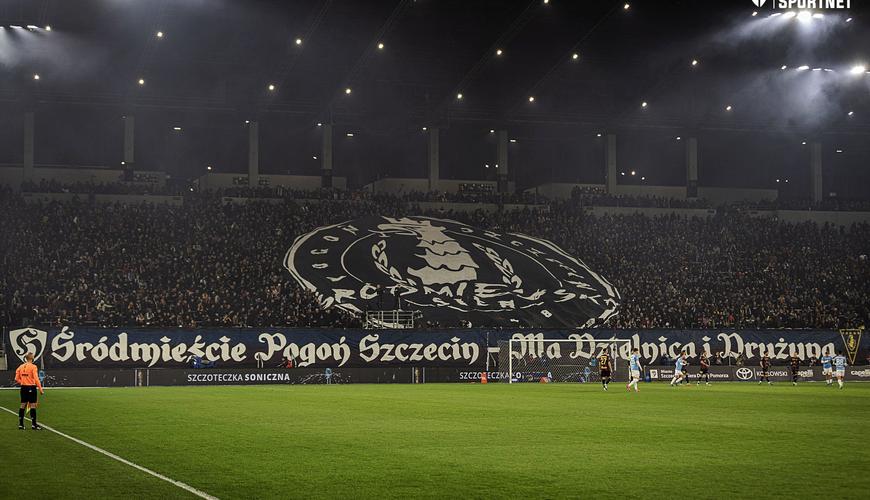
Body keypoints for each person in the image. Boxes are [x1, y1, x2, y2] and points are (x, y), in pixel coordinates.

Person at [14, 352, 44, 430]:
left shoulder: (20, 366)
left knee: (22, 405)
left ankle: (21, 424)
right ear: (32, 358)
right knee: (32, 405)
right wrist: (40, 389)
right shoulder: (33, 367)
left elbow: (16, 378)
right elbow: (36, 379)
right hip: (31, 387)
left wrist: (23, 382)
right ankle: (34, 425)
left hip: (23, 388)